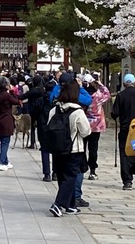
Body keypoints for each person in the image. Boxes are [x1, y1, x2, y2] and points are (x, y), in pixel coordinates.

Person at [47, 73, 91, 217]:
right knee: (70, 177)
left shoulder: (54, 110)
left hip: (57, 148)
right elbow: (86, 132)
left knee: (61, 176)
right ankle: (58, 204)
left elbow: (49, 126)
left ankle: (70, 205)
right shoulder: (77, 111)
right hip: (74, 148)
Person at [111, 73, 135, 190]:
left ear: (123, 83)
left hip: (126, 130)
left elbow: (115, 113)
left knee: (125, 153)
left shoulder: (121, 95)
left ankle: (127, 180)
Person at [84, 73, 110, 181]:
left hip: (84, 123)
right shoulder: (98, 96)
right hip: (96, 125)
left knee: (82, 146)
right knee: (93, 148)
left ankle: (83, 166)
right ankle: (92, 170)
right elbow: (107, 94)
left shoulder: (83, 96)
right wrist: (100, 84)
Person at [0, 75, 20, 172]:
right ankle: (1, 162)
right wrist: (12, 91)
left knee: (3, 141)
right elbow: (16, 101)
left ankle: (6, 161)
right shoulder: (7, 95)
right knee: (5, 142)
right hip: (6, 119)